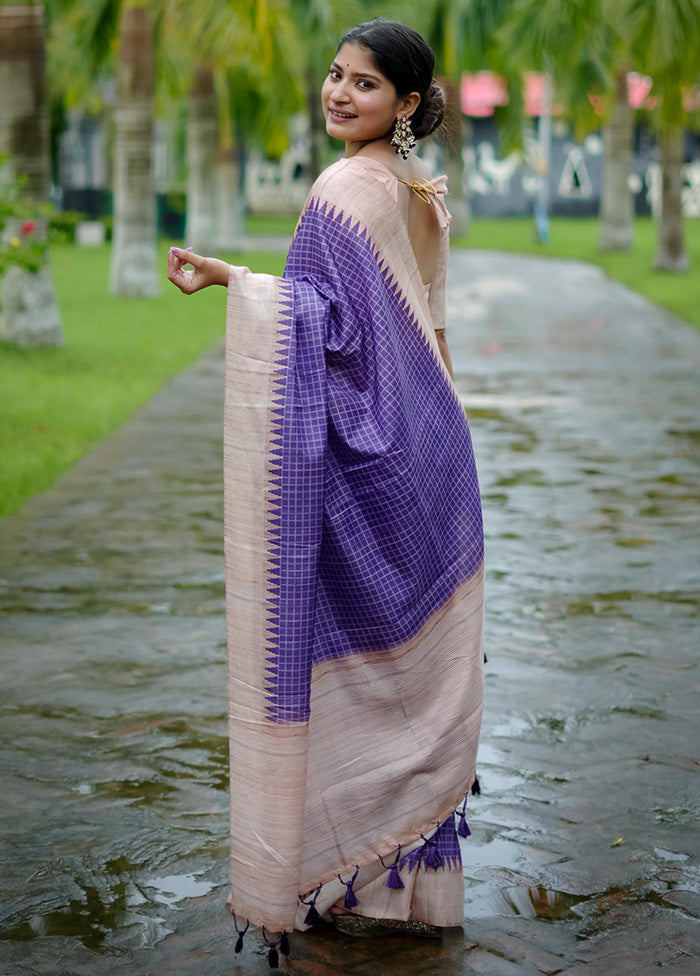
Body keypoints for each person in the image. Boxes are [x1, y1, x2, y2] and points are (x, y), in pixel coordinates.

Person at [167, 18, 484, 958]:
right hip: (433, 460)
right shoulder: (421, 191)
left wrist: (235, 281)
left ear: (409, 104)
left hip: (380, 465)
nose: (341, 94)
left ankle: (351, 885)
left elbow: (321, 322)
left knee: (357, 671)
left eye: (366, 85)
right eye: (336, 77)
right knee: (408, 684)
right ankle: (403, 900)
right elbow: (423, 336)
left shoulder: (347, 187)